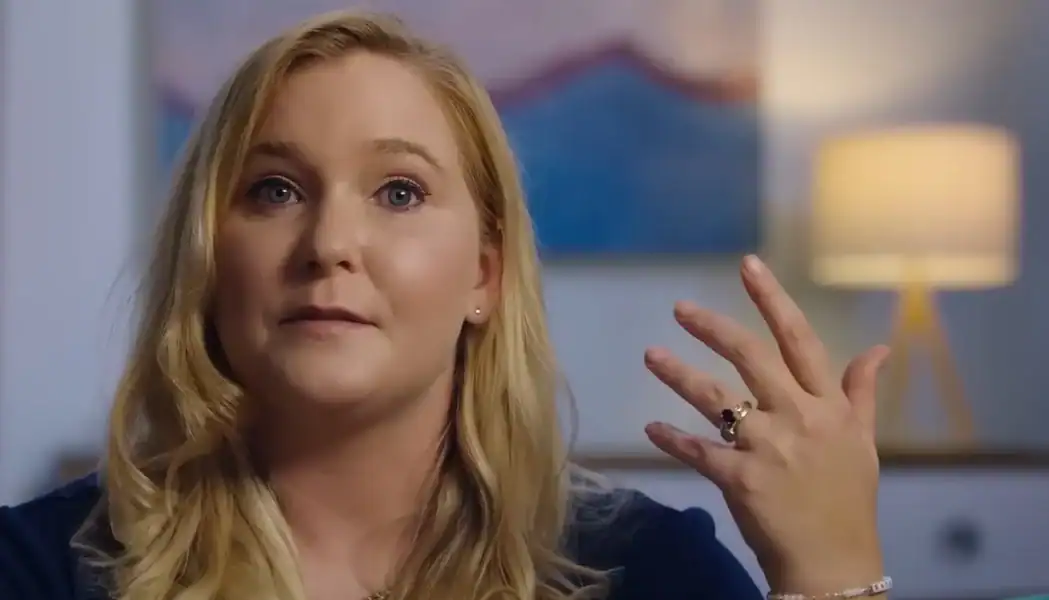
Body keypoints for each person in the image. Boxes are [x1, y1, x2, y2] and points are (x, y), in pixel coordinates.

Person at [0, 10, 892, 600]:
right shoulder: (42, 568)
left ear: (484, 277)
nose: (328, 243)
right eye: (274, 190)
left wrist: (834, 569)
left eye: (398, 192)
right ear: (207, 259)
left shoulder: (642, 571)